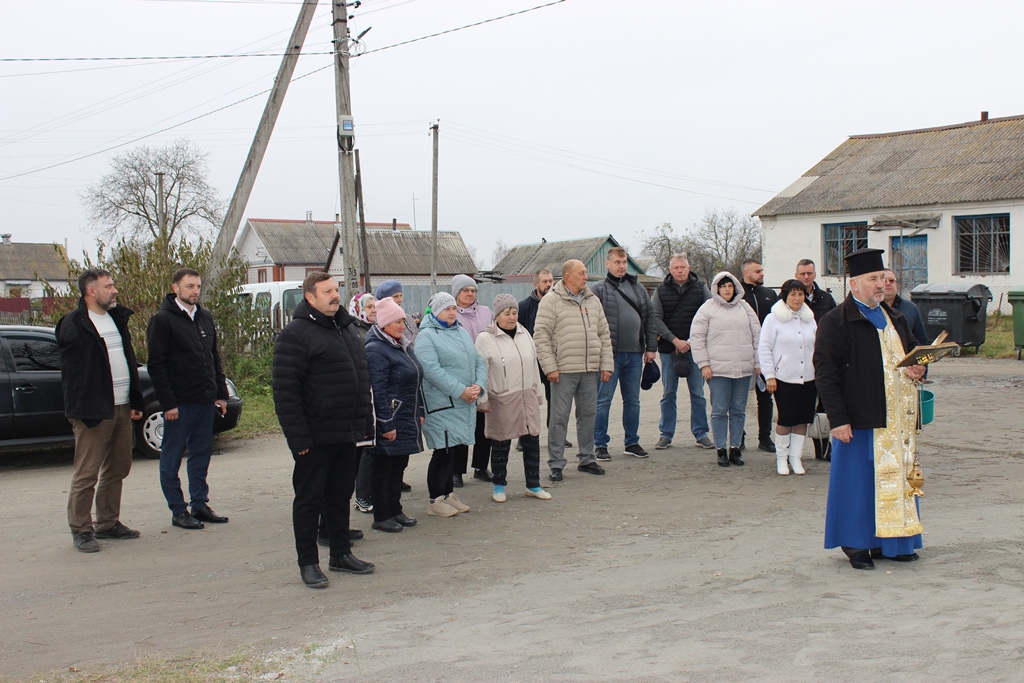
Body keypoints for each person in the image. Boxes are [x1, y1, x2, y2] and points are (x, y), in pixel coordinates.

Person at [815, 248, 926, 571]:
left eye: (882, 278)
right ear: (854, 284)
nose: (881, 285)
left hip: (897, 421)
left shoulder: (896, 318)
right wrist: (838, 418)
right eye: (873, 279)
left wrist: (919, 368)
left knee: (897, 481)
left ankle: (894, 541)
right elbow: (825, 372)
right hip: (859, 418)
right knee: (857, 484)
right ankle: (857, 544)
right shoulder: (835, 321)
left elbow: (912, 355)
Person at [272, 272, 376, 589]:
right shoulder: (295, 334)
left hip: (346, 432)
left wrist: (364, 426)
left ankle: (340, 554)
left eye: (336, 289)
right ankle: (308, 563)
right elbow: (286, 392)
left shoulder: (345, 328)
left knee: (340, 496)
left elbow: (360, 380)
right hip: (315, 436)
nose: (334, 295)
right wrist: (298, 438)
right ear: (310, 297)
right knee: (309, 501)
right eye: (327, 291)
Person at [56, 269, 144, 553]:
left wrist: (135, 402)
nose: (114, 290)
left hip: (121, 406)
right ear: (91, 291)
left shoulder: (116, 319)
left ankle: (108, 522)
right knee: (87, 473)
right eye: (108, 286)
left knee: (118, 468)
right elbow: (74, 375)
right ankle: (81, 529)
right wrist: (82, 410)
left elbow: (128, 361)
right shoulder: (74, 324)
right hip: (93, 410)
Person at [147, 268, 230, 531]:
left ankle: (199, 504)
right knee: (172, 457)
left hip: (205, 400)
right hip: (179, 404)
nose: (195, 291)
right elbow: (157, 366)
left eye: (198, 286)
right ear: (175, 288)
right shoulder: (162, 320)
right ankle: (178, 510)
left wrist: (221, 394)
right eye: (189, 286)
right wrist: (168, 403)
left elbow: (213, 358)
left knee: (201, 454)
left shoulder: (204, 317)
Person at [533, 259, 613, 481]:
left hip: (589, 369)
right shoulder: (551, 301)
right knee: (559, 418)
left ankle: (587, 458)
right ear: (568, 277)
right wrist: (550, 367)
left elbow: (604, 334)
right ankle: (556, 463)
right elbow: (541, 336)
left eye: (586, 273)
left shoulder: (593, 300)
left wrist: (607, 364)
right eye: (582, 273)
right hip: (563, 370)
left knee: (588, 415)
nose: (586, 277)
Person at [475, 294, 551, 503]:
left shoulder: (524, 333)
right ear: (497, 315)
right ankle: (499, 485)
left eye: (514, 312)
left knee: (531, 440)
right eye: (506, 313)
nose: (511, 317)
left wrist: (537, 393)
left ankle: (533, 485)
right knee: (501, 442)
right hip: (502, 397)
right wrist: (482, 399)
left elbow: (533, 364)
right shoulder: (485, 338)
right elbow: (480, 370)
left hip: (527, 395)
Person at [417, 291, 487, 518]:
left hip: (463, 402)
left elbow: (478, 361)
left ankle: (448, 494)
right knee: (443, 450)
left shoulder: (461, 331)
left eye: (453, 308)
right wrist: (460, 391)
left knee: (453, 449)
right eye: (446, 309)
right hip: (442, 403)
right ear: (435, 312)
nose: (451, 313)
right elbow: (431, 370)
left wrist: (478, 386)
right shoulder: (426, 336)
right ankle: (435, 499)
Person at [590, 247, 658, 459]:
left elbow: (650, 317)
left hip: (635, 354)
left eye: (624, 262)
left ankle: (632, 442)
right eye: (617, 262)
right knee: (603, 401)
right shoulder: (598, 289)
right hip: (610, 356)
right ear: (608, 264)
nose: (621, 266)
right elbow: (591, 323)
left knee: (633, 401)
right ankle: (600, 444)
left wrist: (651, 348)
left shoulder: (637, 287)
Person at [364, 297, 424, 533]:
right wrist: (386, 423)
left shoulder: (401, 344)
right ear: (384, 323)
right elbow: (377, 390)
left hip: (406, 414)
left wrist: (419, 410)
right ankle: (382, 515)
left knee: (399, 464)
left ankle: (395, 509)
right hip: (390, 416)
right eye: (397, 321)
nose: (402, 325)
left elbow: (415, 379)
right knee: (384, 466)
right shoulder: (376, 349)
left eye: (403, 321)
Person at [690, 272, 760, 468]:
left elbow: (757, 336)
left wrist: (758, 363)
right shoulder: (707, 308)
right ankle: (721, 448)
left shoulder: (745, 307)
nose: (727, 290)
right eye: (723, 286)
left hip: (743, 369)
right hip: (718, 370)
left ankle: (735, 447)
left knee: (738, 410)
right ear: (717, 289)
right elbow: (697, 338)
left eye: (730, 286)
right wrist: (704, 364)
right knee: (720, 410)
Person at [651, 253, 713, 451]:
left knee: (698, 393)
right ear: (670, 270)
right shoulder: (660, 290)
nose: (680, 271)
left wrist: (692, 341)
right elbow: (656, 319)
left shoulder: (701, 288)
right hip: (669, 349)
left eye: (683, 267)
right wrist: (674, 340)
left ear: (689, 268)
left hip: (696, 349)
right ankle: (666, 434)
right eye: (676, 267)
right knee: (669, 393)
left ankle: (701, 433)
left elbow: (710, 314)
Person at [758, 279, 817, 476]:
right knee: (786, 418)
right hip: (783, 378)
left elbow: (816, 346)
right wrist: (769, 376)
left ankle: (795, 457)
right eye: (793, 294)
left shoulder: (809, 318)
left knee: (802, 419)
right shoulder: (773, 319)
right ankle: (781, 457)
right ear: (785, 296)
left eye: (801, 294)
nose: (797, 298)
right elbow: (764, 348)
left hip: (808, 378)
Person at [517, 268, 569, 451]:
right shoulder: (524, 306)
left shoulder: (558, 303)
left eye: (550, 281)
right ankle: (524, 437)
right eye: (544, 281)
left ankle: (556, 436)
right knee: (528, 401)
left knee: (555, 401)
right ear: (535, 284)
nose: (548, 284)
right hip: (531, 362)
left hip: (552, 361)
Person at [451, 274, 494, 486]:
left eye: (473, 290)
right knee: (462, 424)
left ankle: (481, 466)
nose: (470, 294)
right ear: (456, 294)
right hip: (461, 375)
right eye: (465, 290)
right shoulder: (451, 314)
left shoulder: (486, 312)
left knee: (483, 423)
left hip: (485, 373)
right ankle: (456, 470)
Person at [795, 259, 838, 462]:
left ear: (814, 274)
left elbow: (836, 324)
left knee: (823, 407)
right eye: (802, 274)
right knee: (799, 407)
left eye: (809, 273)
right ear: (796, 275)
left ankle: (823, 447)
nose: (806, 277)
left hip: (822, 358)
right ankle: (793, 450)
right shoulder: (789, 298)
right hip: (797, 361)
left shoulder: (826, 299)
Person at [740, 259, 779, 453]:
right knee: (740, 399)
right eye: (758, 271)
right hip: (743, 353)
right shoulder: (737, 295)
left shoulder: (770, 294)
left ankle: (765, 437)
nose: (762, 274)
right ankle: (738, 437)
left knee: (765, 397)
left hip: (765, 354)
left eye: (762, 270)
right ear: (746, 273)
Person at [346, 291, 377, 514]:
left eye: (375, 307)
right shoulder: (354, 332)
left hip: (375, 393)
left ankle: (369, 491)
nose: (374, 310)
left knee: (372, 447)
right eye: (369, 307)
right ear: (357, 309)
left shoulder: (374, 329)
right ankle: (362, 495)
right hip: (363, 394)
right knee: (365, 449)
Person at [883, 270, 928, 346]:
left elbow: (921, 341)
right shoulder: (870, 309)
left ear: (896, 285)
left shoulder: (911, 308)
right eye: (884, 281)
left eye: (891, 281)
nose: (888, 284)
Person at [375, 279, 418, 347]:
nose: (400, 300)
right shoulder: (379, 322)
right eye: (395, 296)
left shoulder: (409, 318)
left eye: (401, 295)